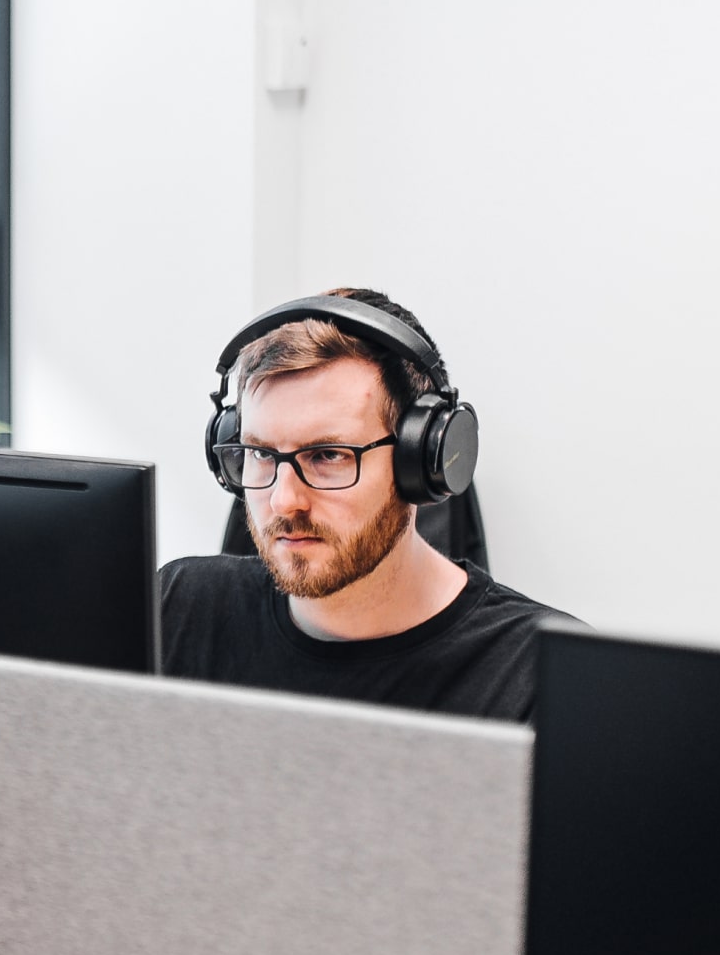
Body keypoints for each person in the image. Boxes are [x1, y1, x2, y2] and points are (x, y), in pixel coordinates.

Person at [160, 288, 580, 722]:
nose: (285, 500)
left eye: (328, 456)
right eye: (262, 454)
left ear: (419, 462)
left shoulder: (546, 676)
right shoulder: (178, 608)